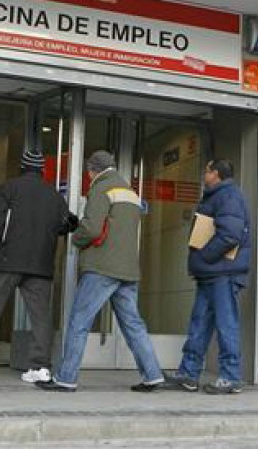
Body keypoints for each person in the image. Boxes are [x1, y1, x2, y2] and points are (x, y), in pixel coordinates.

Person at [37, 151, 165, 393]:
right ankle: (152, 374)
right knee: (133, 325)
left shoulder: (100, 189)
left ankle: (66, 378)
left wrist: (76, 236)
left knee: (79, 321)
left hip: (102, 268)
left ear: (92, 169)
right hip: (127, 269)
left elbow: (93, 229)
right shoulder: (129, 191)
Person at [0, 149, 78, 381]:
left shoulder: (8, 188)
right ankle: (41, 367)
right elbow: (66, 225)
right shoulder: (53, 195)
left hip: (9, 259)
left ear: (22, 167)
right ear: (42, 170)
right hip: (41, 264)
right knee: (41, 317)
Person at [166, 159, 251, 394]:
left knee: (226, 324)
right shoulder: (216, 196)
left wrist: (204, 256)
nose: (204, 174)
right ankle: (188, 373)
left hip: (223, 272)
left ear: (216, 174)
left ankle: (231, 376)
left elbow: (230, 235)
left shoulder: (229, 196)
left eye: (207, 171)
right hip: (212, 273)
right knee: (199, 323)